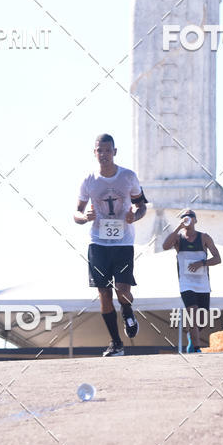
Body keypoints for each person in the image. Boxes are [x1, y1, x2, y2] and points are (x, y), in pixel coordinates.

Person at [74, 134, 147, 356]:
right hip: (98, 243)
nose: (103, 154)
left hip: (123, 242)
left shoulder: (128, 177)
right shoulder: (89, 180)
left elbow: (141, 205)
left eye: (107, 150)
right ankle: (116, 343)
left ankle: (127, 311)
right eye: (99, 150)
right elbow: (76, 212)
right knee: (104, 294)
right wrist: (84, 216)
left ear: (115, 152)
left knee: (122, 292)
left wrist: (136, 215)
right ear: (94, 152)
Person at [162, 210, 221, 352]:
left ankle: (191, 336)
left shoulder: (204, 237)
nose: (187, 219)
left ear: (195, 220)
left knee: (202, 319)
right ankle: (196, 347)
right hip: (186, 284)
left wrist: (201, 263)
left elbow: (217, 259)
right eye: (184, 217)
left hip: (203, 285)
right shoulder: (178, 238)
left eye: (190, 216)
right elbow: (165, 246)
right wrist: (178, 227)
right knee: (192, 315)